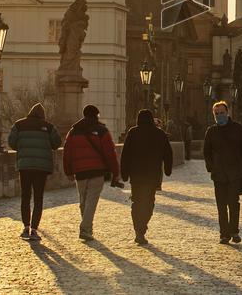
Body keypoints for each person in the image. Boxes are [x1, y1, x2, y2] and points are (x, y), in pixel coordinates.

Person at [63, 104, 121, 242]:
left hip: (80, 172)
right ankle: (85, 228)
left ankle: (87, 228)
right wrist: (115, 172)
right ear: (96, 115)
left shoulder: (73, 131)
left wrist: (68, 171)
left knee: (83, 201)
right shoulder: (102, 130)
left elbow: (67, 152)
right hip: (96, 171)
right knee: (91, 201)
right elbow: (110, 153)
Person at [7, 103, 61, 241]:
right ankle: (34, 229)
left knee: (25, 196)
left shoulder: (19, 125)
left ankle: (25, 227)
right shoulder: (49, 127)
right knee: (38, 198)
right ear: (43, 115)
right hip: (41, 168)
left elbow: (11, 143)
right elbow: (57, 144)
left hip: (24, 166)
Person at [120, 109, 173, 245]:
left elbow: (125, 154)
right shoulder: (159, 133)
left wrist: (124, 173)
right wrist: (167, 169)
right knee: (149, 202)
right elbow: (168, 153)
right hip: (152, 175)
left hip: (136, 175)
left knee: (136, 202)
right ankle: (142, 228)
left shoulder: (133, 132)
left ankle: (138, 229)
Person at [203, 101, 242, 244]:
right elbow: (206, 152)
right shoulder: (211, 131)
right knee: (221, 205)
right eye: (216, 114)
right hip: (218, 174)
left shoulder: (238, 129)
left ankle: (234, 231)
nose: (219, 116)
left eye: (222, 113)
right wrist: (211, 167)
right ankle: (224, 234)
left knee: (233, 203)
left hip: (235, 173)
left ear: (227, 112)